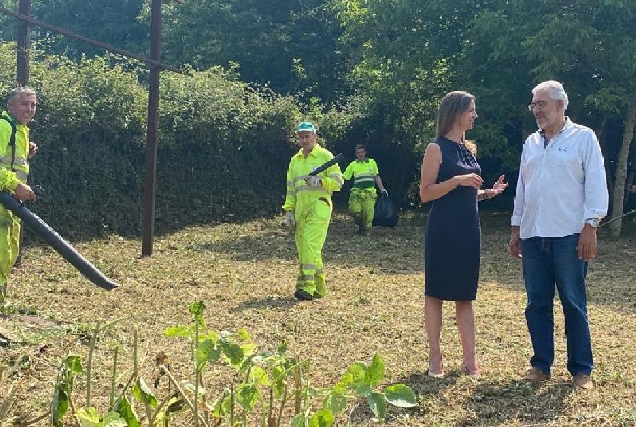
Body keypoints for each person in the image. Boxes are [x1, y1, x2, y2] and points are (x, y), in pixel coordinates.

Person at [508, 80, 609, 390]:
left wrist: (590, 225)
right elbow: (522, 189)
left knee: (573, 302)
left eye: (542, 104)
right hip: (533, 235)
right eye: (534, 104)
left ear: (560, 106)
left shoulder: (584, 138)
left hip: (569, 236)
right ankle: (541, 365)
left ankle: (581, 370)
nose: (536, 110)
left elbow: (595, 183)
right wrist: (516, 228)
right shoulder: (531, 143)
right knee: (536, 303)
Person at [419, 91, 508, 378]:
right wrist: (457, 180)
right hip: (443, 230)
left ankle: (470, 361)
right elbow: (426, 194)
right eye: (471, 110)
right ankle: (435, 359)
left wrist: (486, 193)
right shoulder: (436, 148)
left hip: (469, 230)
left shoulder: (469, 148)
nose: (475, 115)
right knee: (435, 294)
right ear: (456, 112)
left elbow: (464, 195)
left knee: (465, 296)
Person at [282, 121, 343, 301]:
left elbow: (338, 182)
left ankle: (306, 287)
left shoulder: (325, 156)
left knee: (309, 243)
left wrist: (321, 182)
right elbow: (291, 189)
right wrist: (289, 211)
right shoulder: (295, 161)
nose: (304, 139)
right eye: (301, 136)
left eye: (307, 136)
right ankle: (319, 287)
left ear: (315, 137)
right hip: (301, 210)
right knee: (306, 249)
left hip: (319, 206)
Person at [0, 87, 39, 304]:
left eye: (33, 105)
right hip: (4, 198)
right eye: (24, 103)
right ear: (10, 105)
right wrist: (16, 185)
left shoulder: (20, 129)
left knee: (8, 252)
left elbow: (8, 161)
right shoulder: (3, 126)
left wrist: (26, 153)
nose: (30, 109)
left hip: (9, 204)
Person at [342, 144, 387, 234]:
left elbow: (376, 176)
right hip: (356, 192)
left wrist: (382, 189)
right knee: (353, 210)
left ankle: (367, 231)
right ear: (356, 154)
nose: (360, 154)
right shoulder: (353, 164)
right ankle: (361, 225)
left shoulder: (372, 162)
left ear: (365, 152)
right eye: (358, 152)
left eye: (362, 152)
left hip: (369, 192)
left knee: (368, 214)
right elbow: (344, 177)